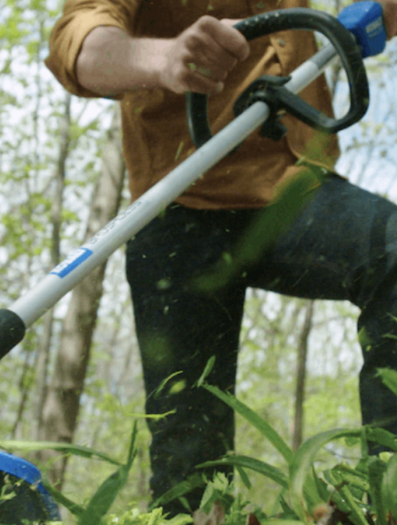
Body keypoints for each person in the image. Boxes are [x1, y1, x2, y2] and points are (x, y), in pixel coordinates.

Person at [45, 0, 397, 515]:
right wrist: (161, 58)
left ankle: (387, 493)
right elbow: (78, 43)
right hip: (180, 206)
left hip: (294, 191)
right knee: (189, 462)